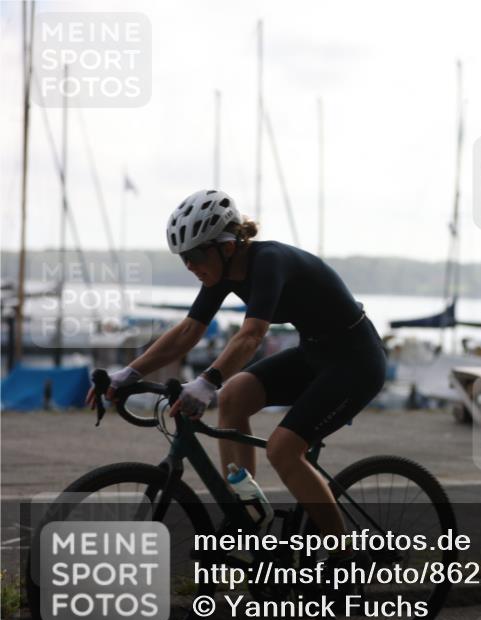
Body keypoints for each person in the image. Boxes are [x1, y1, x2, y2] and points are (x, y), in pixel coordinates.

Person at [87, 189, 386, 544]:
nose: (189, 265)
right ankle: (249, 511)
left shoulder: (269, 261)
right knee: (234, 397)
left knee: (282, 448)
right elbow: (187, 332)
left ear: (227, 246)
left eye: (195, 254)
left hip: (356, 361)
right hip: (315, 353)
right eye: (184, 256)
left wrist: (206, 381)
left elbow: (251, 335)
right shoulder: (222, 274)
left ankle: (344, 555)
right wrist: (128, 374)